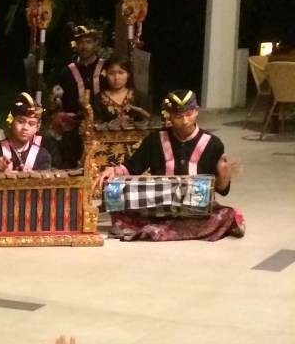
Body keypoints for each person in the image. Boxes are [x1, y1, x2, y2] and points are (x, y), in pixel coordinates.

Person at [97, 89, 244, 241]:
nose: (185, 121)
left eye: (189, 114)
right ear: (169, 116)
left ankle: (157, 230)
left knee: (228, 215)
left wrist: (224, 175)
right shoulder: (155, 140)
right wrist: (113, 170)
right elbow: (133, 166)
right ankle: (171, 229)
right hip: (158, 209)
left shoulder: (213, 143)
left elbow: (222, 190)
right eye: (178, 116)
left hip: (195, 211)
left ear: (196, 111)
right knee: (116, 199)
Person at [51, 24, 104, 167]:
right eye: (81, 42)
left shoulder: (106, 68)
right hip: (75, 122)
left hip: (102, 120)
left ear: (95, 44)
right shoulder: (66, 72)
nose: (84, 46)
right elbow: (59, 101)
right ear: (76, 45)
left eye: (88, 42)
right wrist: (56, 101)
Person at [0, 93, 53, 174]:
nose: (25, 127)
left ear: (37, 127)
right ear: (10, 122)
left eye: (31, 124)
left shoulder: (42, 155)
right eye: (20, 121)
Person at [92, 54, 151, 125]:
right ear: (106, 75)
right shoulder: (97, 100)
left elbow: (148, 122)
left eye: (121, 73)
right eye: (111, 73)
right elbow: (94, 126)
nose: (116, 78)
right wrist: (114, 123)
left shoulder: (139, 97)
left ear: (128, 74)